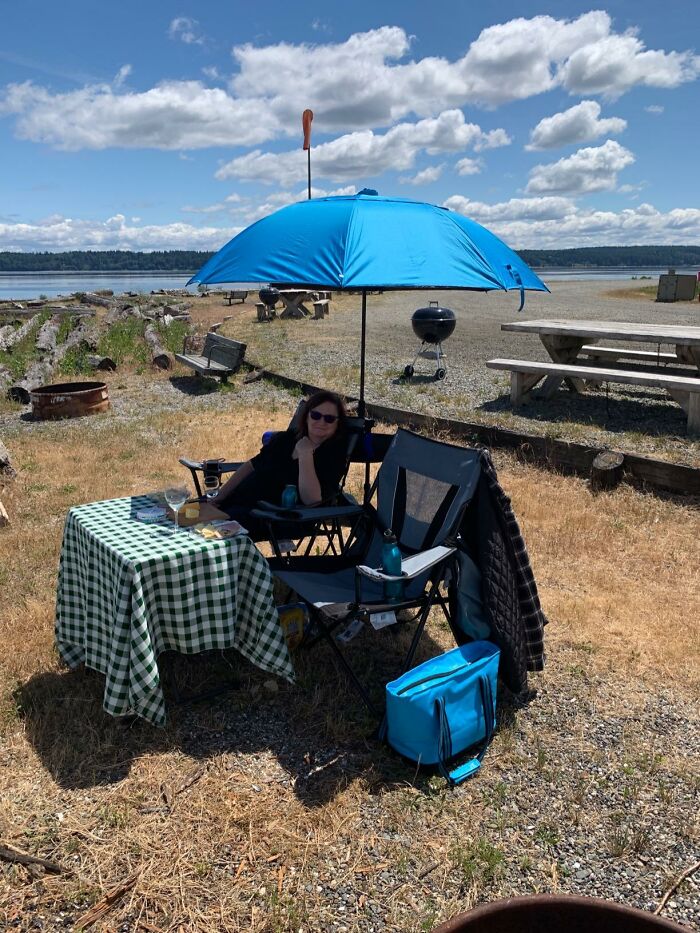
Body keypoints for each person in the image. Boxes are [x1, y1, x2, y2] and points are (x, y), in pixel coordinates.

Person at [212, 391, 349, 535]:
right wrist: (220, 497)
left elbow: (312, 500)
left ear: (338, 423)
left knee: (209, 533)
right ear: (307, 416)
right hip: (240, 503)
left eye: (329, 418)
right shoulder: (286, 439)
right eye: (316, 415)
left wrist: (305, 454)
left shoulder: (333, 456)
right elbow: (251, 465)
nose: (321, 422)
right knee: (194, 517)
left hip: (273, 516)